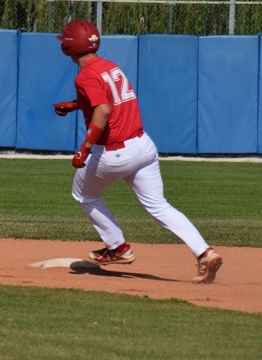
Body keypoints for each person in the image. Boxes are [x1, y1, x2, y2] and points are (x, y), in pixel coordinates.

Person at [53, 19, 223, 283]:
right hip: (143, 146)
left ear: (68, 47)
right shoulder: (110, 66)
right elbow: (109, 100)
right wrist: (77, 105)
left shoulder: (84, 75)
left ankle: (118, 247)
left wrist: (84, 149)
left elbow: (103, 110)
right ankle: (204, 253)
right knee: (159, 206)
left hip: (114, 153)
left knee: (83, 194)